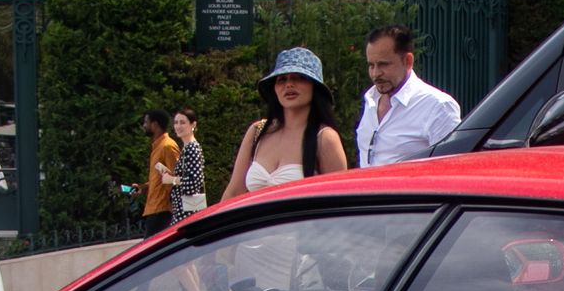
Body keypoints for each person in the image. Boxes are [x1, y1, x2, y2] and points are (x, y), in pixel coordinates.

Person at [224, 48, 348, 200]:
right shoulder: (258, 131)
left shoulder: (324, 137)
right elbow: (233, 193)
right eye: (282, 79)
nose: (289, 84)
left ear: (315, 87)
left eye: (300, 78)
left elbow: (337, 203)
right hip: (256, 223)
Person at [355, 23, 462, 168]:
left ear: (408, 61)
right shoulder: (371, 100)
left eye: (384, 64)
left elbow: (452, 169)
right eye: (371, 65)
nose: (375, 73)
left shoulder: (438, 106)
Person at [137, 108, 180, 237]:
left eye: (146, 122)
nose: (144, 125)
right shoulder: (157, 147)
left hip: (162, 210)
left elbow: (177, 177)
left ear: (155, 124)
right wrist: (142, 188)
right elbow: (158, 180)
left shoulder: (167, 146)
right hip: (154, 209)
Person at [167, 109, 206, 224]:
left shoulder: (192, 148)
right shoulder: (187, 148)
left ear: (193, 124)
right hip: (184, 210)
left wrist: (172, 180)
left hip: (187, 213)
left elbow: (194, 182)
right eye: (176, 122)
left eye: (182, 122)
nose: (178, 126)